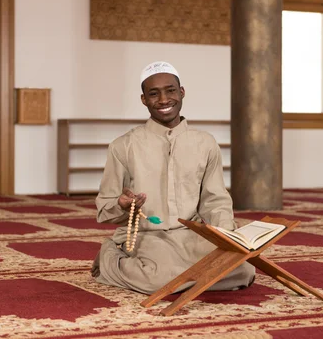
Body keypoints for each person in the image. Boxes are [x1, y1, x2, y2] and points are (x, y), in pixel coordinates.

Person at [91, 61, 255, 295]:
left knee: (242, 272)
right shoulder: (123, 146)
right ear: (144, 99)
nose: (164, 100)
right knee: (158, 282)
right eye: (154, 94)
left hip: (193, 235)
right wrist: (122, 204)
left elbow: (215, 199)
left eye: (170, 90)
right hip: (149, 235)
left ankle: (185, 276)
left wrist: (226, 238)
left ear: (182, 92)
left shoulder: (205, 143)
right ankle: (109, 259)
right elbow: (104, 206)